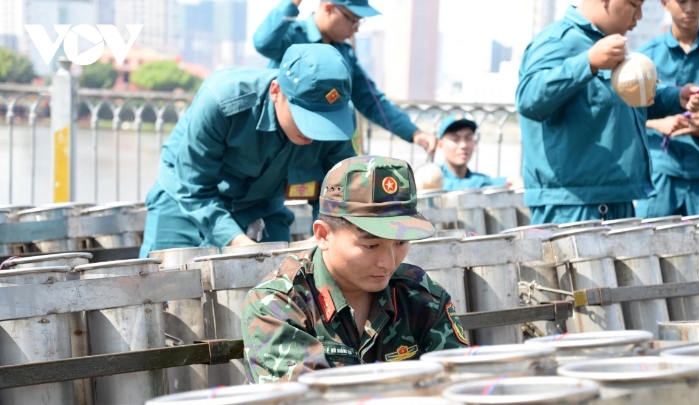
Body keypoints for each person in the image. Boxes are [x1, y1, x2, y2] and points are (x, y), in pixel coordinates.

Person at [241, 155, 469, 383]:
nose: (388, 262)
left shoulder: (421, 296)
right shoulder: (279, 304)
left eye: (400, 242)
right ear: (323, 235)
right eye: (371, 245)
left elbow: (459, 382)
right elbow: (305, 398)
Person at [139, 44, 357, 257]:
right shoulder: (222, 101)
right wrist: (237, 241)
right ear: (276, 91)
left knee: (282, 282)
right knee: (165, 283)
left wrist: (325, 234)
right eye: (306, 118)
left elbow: (338, 193)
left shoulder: (337, 121)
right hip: (184, 198)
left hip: (261, 205)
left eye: (325, 122)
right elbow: (194, 187)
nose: (315, 132)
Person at [515, 0, 699, 225]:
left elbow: (626, 98)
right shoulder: (557, 41)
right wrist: (587, 63)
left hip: (618, 200)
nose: (639, 16)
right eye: (634, 5)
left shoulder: (605, 45)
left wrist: (677, 97)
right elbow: (528, 99)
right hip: (573, 205)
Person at [253, 0, 438, 154]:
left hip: (317, 148)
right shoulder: (292, 35)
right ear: (329, 8)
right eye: (352, 20)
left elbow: (371, 100)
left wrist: (414, 133)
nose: (355, 29)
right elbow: (263, 43)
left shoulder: (344, 54)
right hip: (279, 142)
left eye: (359, 22)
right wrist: (292, 3)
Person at [635, 0, 699, 218]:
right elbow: (626, 113)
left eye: (697, 1)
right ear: (665, 3)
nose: (690, 8)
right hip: (659, 175)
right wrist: (657, 122)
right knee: (649, 246)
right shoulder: (645, 58)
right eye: (682, 1)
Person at [436, 114, 510, 191]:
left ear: (475, 143)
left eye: (468, 138)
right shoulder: (433, 175)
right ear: (440, 145)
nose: (463, 145)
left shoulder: (479, 178)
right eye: (455, 139)